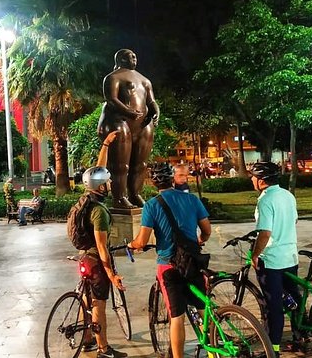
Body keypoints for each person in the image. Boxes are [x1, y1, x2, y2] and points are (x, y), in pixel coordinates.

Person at [127, 162, 211, 358]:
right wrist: (199, 240)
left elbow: (142, 241)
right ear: (172, 179)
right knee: (203, 309)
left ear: (152, 182)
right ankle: (214, 347)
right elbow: (206, 230)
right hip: (193, 262)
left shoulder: (152, 205)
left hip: (169, 266)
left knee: (177, 318)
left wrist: (132, 245)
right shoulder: (192, 199)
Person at [73, 130, 126, 358]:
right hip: (96, 261)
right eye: (108, 182)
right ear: (101, 186)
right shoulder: (100, 213)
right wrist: (112, 274)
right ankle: (103, 349)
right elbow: (103, 248)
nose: (110, 182)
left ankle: (87, 339)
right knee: (98, 306)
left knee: (87, 300)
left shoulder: (86, 198)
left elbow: (96, 171)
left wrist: (105, 145)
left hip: (85, 257)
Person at [249, 162, 301, 357]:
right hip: (290, 255)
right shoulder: (288, 195)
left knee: (274, 306)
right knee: (294, 299)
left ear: (261, 181)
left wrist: (255, 254)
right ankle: (299, 338)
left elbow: (265, 232)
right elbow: (293, 220)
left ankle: (274, 349)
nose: (252, 180)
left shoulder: (265, 200)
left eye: (253, 177)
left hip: (272, 260)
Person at [97, 49, 160, 209]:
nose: (134, 58)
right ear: (120, 59)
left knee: (140, 164)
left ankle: (135, 194)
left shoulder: (144, 80)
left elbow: (151, 101)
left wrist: (155, 111)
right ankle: (119, 197)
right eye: (129, 56)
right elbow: (111, 99)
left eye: (135, 56)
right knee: (120, 165)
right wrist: (128, 111)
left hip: (142, 124)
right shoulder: (113, 77)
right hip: (119, 121)